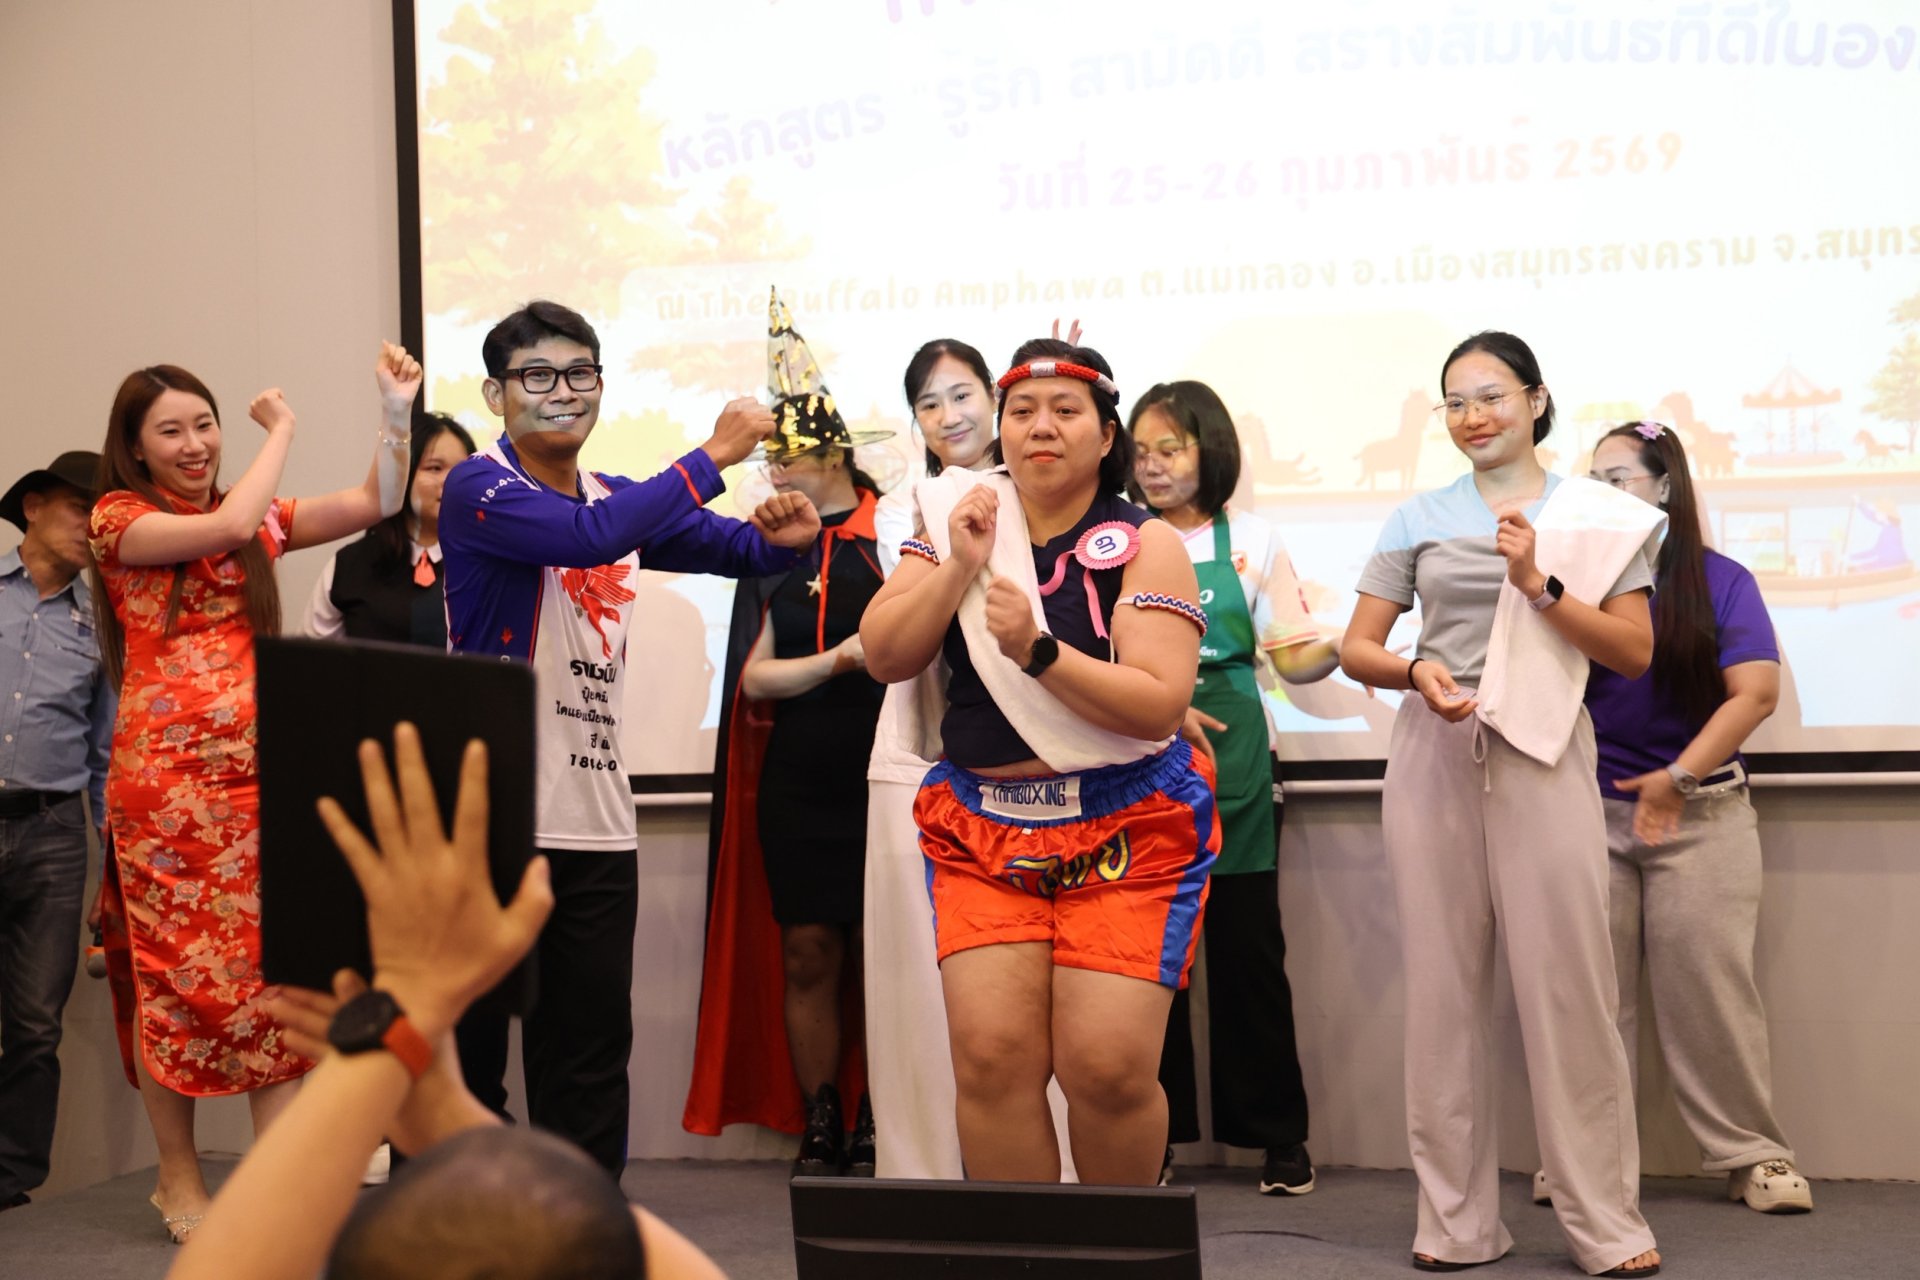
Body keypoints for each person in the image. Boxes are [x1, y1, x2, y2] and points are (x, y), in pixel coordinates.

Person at [441, 299, 818, 1175]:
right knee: (469, 1055)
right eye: (538, 376)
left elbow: (735, 550)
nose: (563, 392)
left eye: (581, 373)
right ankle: (463, 1228)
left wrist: (786, 542)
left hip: (598, 819)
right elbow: (590, 539)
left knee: (590, 1047)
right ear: (497, 395)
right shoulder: (479, 488)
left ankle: (584, 1224)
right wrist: (714, 452)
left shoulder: (612, 494)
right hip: (493, 820)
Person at [162, 721, 723, 1280]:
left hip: (574, 823)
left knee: (577, 1068)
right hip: (561, 822)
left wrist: (393, 1076)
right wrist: (445, 1112)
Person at [1340, 332, 1664, 1276]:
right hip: (1436, 749)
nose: (1473, 416)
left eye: (1491, 395)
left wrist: (1539, 584)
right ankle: (1455, 1226)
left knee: (1572, 993)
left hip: (1544, 746)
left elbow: (1632, 651)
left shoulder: (1595, 515)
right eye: (1455, 401)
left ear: (1536, 399)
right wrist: (1415, 671)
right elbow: (1358, 647)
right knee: (1441, 996)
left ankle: (1607, 1227)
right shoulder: (1418, 516)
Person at [859, 337, 1217, 1186]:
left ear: (1106, 434)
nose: (1040, 427)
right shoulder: (959, 517)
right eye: (1021, 411)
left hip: (1126, 826)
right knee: (990, 1063)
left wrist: (1039, 651)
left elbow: (1158, 703)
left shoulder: (1147, 541)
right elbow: (884, 653)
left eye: (1065, 411)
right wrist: (960, 564)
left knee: (1107, 1068)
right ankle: (1024, 1252)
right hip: (984, 829)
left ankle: (1119, 1250)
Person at [88, 346, 425, 1242]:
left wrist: (395, 414)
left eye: (204, 425)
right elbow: (230, 524)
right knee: (171, 981)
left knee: (269, 979)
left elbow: (377, 501)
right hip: (166, 796)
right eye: (172, 431)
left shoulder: (252, 517)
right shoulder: (119, 519)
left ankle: (279, 1176)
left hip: (255, 785)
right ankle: (177, 1176)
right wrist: (282, 426)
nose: (196, 444)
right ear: (135, 447)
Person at [1568, 421, 1807, 1213]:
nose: (1601, 494)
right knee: (1590, 999)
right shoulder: (1573, 582)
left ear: (1665, 488)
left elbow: (1756, 694)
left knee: (1711, 992)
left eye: (1618, 479)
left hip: (1701, 814)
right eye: (1592, 481)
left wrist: (1677, 778)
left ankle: (1754, 1156)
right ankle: (1584, 1163)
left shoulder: (1720, 580)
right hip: (1586, 814)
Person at [687, 289, 890, 1171]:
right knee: (809, 952)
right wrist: (840, 660)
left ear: (834, 454)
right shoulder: (773, 548)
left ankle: (883, 1112)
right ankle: (821, 1116)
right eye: (768, 459)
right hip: (801, 779)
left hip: (887, 777)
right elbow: (755, 677)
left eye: (787, 456)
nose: (774, 474)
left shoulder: (898, 534)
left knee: (884, 955)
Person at [1127, 381, 1339, 1195]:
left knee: (1249, 952)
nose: (1152, 466)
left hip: (1237, 754)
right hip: (1138, 749)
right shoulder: (1115, 537)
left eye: (1170, 448)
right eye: (1141, 451)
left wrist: (1341, 643)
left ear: (1209, 450)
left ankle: (1277, 1136)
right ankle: (1152, 1135)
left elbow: (1291, 654)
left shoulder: (1251, 538)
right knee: (1148, 961)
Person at [0, 451, 114, 1212]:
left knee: (36, 1023)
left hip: (53, 832)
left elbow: (105, 757)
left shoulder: (100, 624)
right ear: (34, 507)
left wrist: (117, 869)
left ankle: (10, 1187)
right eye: (80, 509)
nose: (92, 528)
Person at [304, 412, 477, 647]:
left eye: (462, 471)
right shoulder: (350, 564)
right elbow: (310, 658)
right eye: (435, 468)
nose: (451, 482)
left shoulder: (487, 563)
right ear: (402, 474)